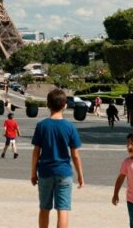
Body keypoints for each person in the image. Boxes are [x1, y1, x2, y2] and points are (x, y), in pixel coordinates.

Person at [31, 89, 84, 228]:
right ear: (65, 105)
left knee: (44, 208)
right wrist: (80, 175)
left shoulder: (41, 125)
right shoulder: (70, 127)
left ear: (48, 104)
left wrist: (33, 173)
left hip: (45, 171)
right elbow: (75, 154)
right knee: (63, 209)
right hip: (64, 172)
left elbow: (36, 152)